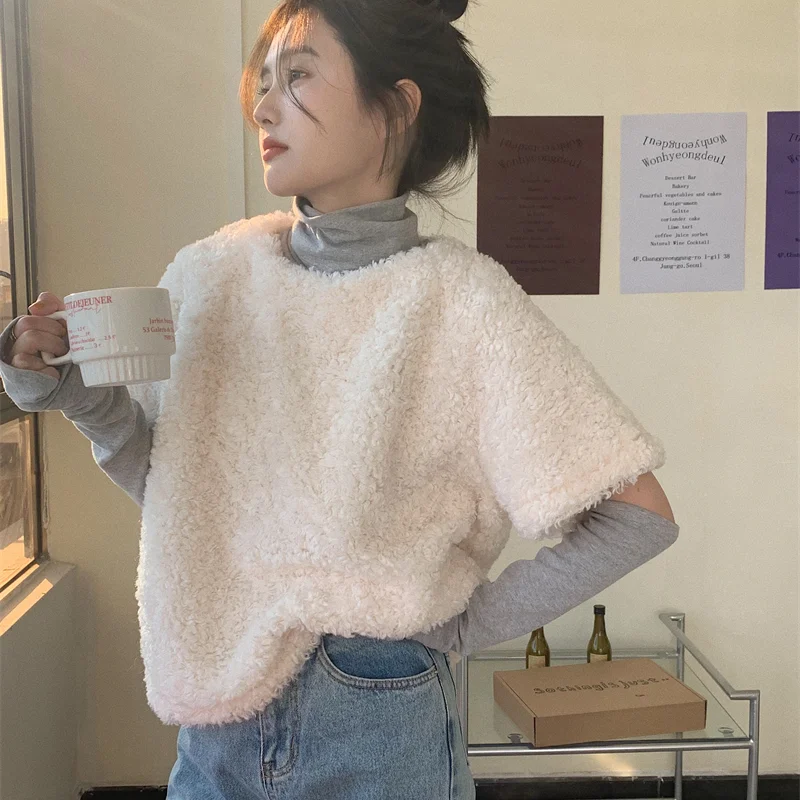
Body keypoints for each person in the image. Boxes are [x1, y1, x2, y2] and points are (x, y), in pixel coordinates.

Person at [0, 0, 678, 797]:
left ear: (396, 107)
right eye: (264, 81)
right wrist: (74, 392)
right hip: (219, 710)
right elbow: (180, 494)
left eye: (298, 76)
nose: (264, 107)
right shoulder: (211, 276)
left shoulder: (461, 301)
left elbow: (638, 515)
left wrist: (466, 622)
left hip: (379, 709)